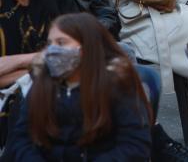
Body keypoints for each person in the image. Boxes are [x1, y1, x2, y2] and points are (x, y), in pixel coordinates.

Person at [5, 13, 152, 160]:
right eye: (50, 44)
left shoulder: (117, 85)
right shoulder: (42, 83)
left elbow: (134, 145)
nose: (52, 50)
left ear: (86, 46)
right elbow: (20, 139)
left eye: (61, 43)